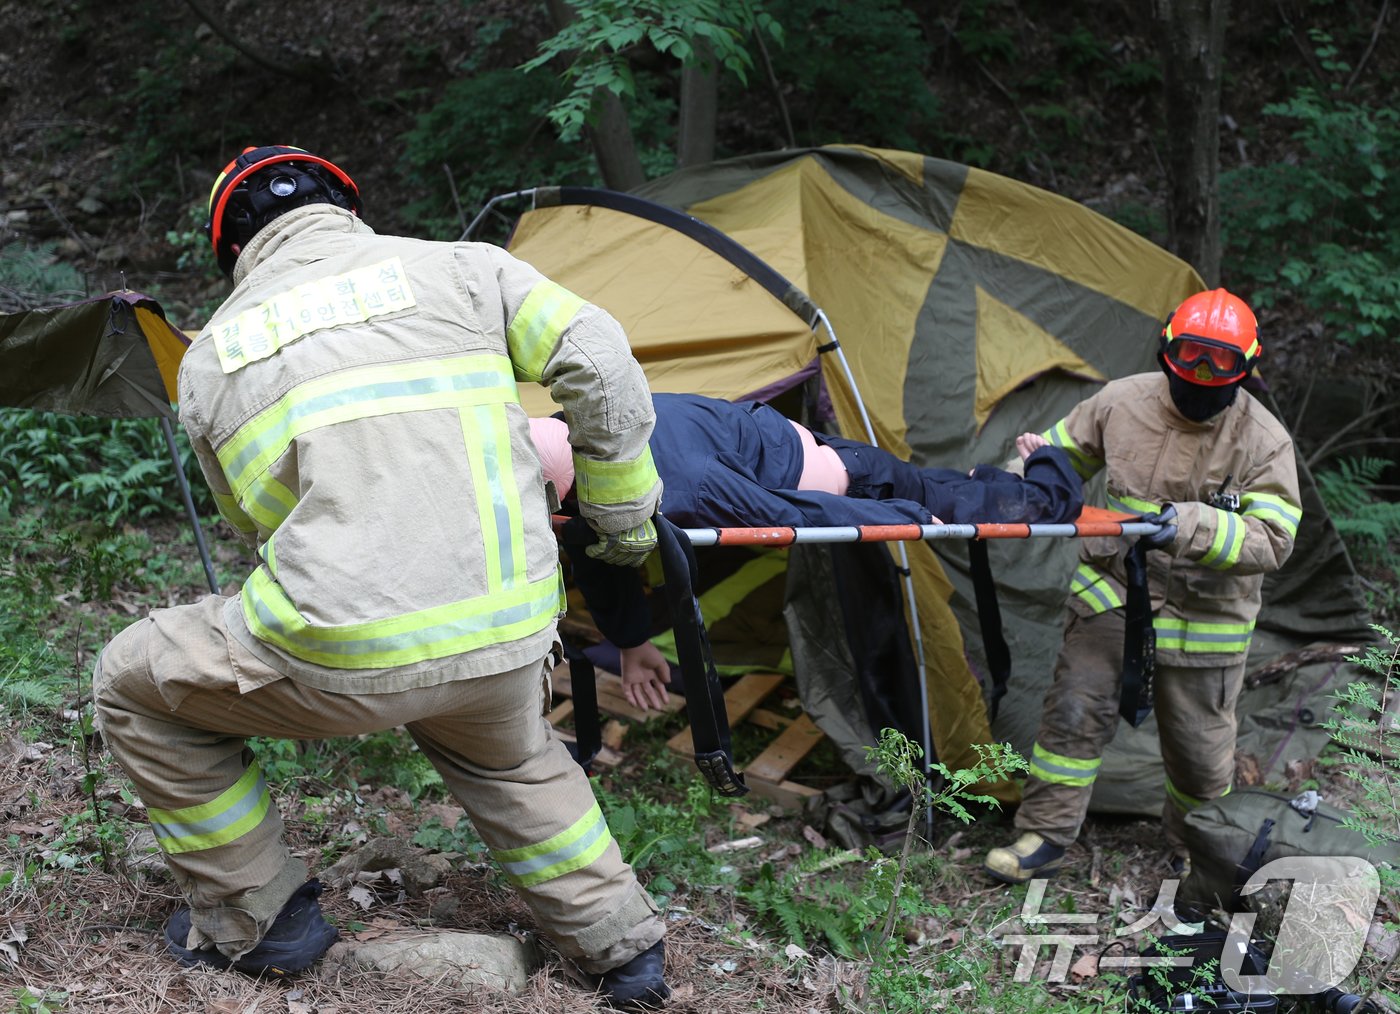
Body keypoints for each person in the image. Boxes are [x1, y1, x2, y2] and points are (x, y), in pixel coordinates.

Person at [92, 145, 671, 1010]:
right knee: (514, 760)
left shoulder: (211, 360)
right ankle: (625, 951)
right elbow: (603, 358)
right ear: (348, 205)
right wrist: (621, 520)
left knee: (130, 685)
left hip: (337, 648)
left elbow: (253, 526)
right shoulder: (469, 270)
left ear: (231, 247)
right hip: (508, 627)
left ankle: (260, 918)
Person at [982, 288, 1302, 884]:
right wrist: (1025, 471)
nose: (1203, 374)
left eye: (1222, 364)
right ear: (1166, 353)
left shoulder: (1264, 442)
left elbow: (1274, 539)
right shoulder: (1119, 402)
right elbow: (1057, 459)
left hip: (1208, 621)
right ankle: (1045, 835)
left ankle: (1197, 844)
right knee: (1073, 715)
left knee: (1202, 757)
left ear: (1247, 369)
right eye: (1191, 356)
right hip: (1113, 596)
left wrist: (1191, 524)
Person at [530, 391, 1085, 711]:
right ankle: (977, 482)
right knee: (940, 489)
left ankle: (1047, 470)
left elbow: (795, 521)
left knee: (978, 505)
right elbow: (596, 542)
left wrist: (912, 522)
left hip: (853, 483)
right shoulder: (586, 424)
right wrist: (631, 642)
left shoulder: (684, 483)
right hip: (801, 456)